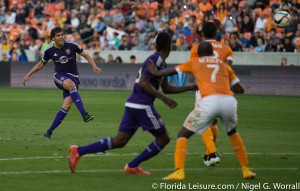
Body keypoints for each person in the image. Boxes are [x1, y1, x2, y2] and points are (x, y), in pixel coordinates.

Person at [68, 32, 197, 175]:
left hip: (133, 104)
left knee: (120, 141)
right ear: (169, 45)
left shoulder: (160, 62)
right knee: (163, 138)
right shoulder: (156, 60)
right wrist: (163, 98)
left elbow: (166, 88)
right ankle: (133, 165)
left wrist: (190, 88)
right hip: (142, 105)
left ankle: (79, 151)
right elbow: (143, 83)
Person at [147, 41, 256, 180]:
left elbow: (171, 71)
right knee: (233, 134)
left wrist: (156, 72)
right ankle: (246, 170)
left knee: (182, 134)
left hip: (209, 102)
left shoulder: (195, 62)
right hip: (229, 102)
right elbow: (240, 89)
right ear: (212, 53)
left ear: (198, 53)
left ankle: (179, 171)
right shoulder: (224, 65)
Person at [21, 27, 102, 140]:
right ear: (53, 38)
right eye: (58, 35)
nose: (61, 37)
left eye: (62, 34)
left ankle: (48, 132)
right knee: (71, 85)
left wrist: (94, 66)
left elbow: (86, 55)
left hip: (74, 77)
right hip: (59, 76)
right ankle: (84, 114)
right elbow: (41, 64)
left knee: (67, 106)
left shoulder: (72, 45)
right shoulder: (49, 51)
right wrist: (28, 74)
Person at [189, 22, 234, 166]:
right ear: (217, 34)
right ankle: (208, 155)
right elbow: (229, 66)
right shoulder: (227, 48)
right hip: (221, 89)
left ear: (202, 34)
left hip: (204, 88)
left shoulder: (196, 48)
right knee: (213, 121)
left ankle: (213, 153)